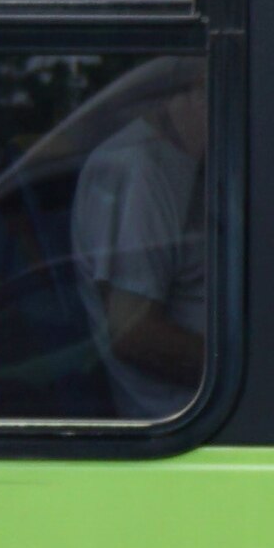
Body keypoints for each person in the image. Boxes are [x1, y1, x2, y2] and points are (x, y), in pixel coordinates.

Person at [69, 59, 210, 420]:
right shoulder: (140, 169)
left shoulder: (196, 163)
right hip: (188, 416)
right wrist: (259, 369)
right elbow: (134, 333)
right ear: (197, 89)